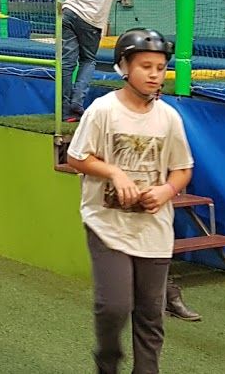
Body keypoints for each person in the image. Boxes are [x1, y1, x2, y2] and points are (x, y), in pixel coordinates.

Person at [65, 29, 195, 374]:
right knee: (114, 306)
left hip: (153, 229)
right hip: (106, 224)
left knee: (150, 312)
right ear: (124, 67)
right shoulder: (103, 111)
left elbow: (182, 169)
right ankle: (107, 362)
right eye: (146, 66)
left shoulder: (169, 118)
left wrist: (167, 191)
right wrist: (113, 173)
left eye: (161, 67)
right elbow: (77, 158)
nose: (155, 75)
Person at [63, 0, 192, 120]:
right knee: (88, 59)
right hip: (90, 19)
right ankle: (76, 104)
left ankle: (62, 108)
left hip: (69, 12)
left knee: (67, 63)